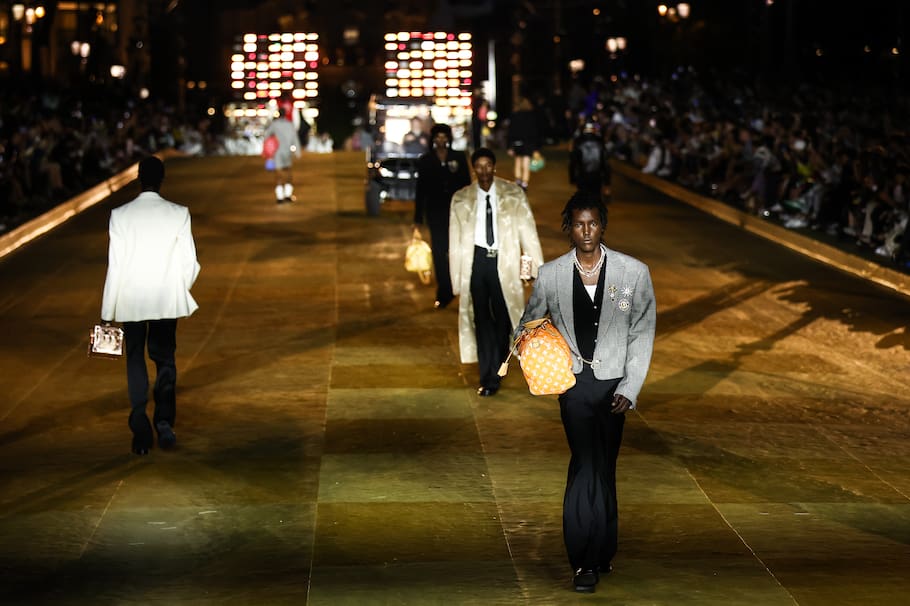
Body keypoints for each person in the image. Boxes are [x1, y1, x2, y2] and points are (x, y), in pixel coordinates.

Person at [517, 190, 655, 593]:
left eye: (593, 223)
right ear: (569, 228)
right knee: (586, 464)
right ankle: (584, 561)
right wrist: (533, 348)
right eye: (579, 224)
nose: (587, 231)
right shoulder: (552, 274)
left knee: (605, 465)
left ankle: (604, 549)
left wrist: (631, 386)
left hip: (616, 388)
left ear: (603, 225)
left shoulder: (633, 273)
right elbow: (529, 322)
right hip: (574, 386)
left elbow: (642, 330)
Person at [100, 156, 201, 455]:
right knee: (164, 359)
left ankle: (139, 428)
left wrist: (107, 313)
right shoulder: (178, 213)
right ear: (162, 179)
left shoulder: (120, 215)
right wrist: (177, 288)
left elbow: (114, 267)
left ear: (138, 178)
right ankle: (164, 422)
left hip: (131, 299)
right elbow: (189, 264)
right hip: (165, 298)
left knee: (134, 360)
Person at [449, 147, 543, 396]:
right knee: (481, 321)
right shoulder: (461, 198)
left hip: (506, 263)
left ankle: (500, 361)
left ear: (494, 166)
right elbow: (455, 242)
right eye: (478, 166)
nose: (483, 171)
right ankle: (488, 377)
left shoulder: (513, 194)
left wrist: (532, 268)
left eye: (487, 166)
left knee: (505, 320)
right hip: (476, 263)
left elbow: (528, 233)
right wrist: (456, 279)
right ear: (473, 169)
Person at [414, 123, 471, 309]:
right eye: (437, 137)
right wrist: (417, 220)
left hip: (457, 212)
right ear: (432, 139)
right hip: (435, 213)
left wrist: (470, 210)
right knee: (439, 252)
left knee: (457, 251)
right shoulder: (425, 160)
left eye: (444, 137)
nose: (441, 140)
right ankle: (444, 290)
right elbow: (420, 190)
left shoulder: (458, 157)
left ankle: (459, 287)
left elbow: (467, 186)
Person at [263, 106, 302, 204]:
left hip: (277, 152)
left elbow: (266, 135)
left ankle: (280, 196)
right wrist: (298, 152)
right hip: (287, 152)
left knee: (278, 174)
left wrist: (268, 148)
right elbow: (295, 139)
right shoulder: (290, 125)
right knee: (288, 173)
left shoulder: (274, 125)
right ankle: (288, 195)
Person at [569, 121, 612, 197]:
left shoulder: (578, 143)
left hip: (583, 176)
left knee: (584, 199)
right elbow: (606, 164)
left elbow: (573, 163)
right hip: (597, 177)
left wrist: (572, 178)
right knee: (596, 199)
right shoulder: (600, 144)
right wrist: (607, 182)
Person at [507, 96, 541, 191]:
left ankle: (518, 181)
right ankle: (525, 183)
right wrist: (536, 147)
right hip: (528, 143)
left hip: (517, 143)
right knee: (526, 164)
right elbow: (535, 132)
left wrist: (509, 146)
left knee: (518, 162)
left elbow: (511, 132)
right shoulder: (532, 117)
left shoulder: (515, 116)